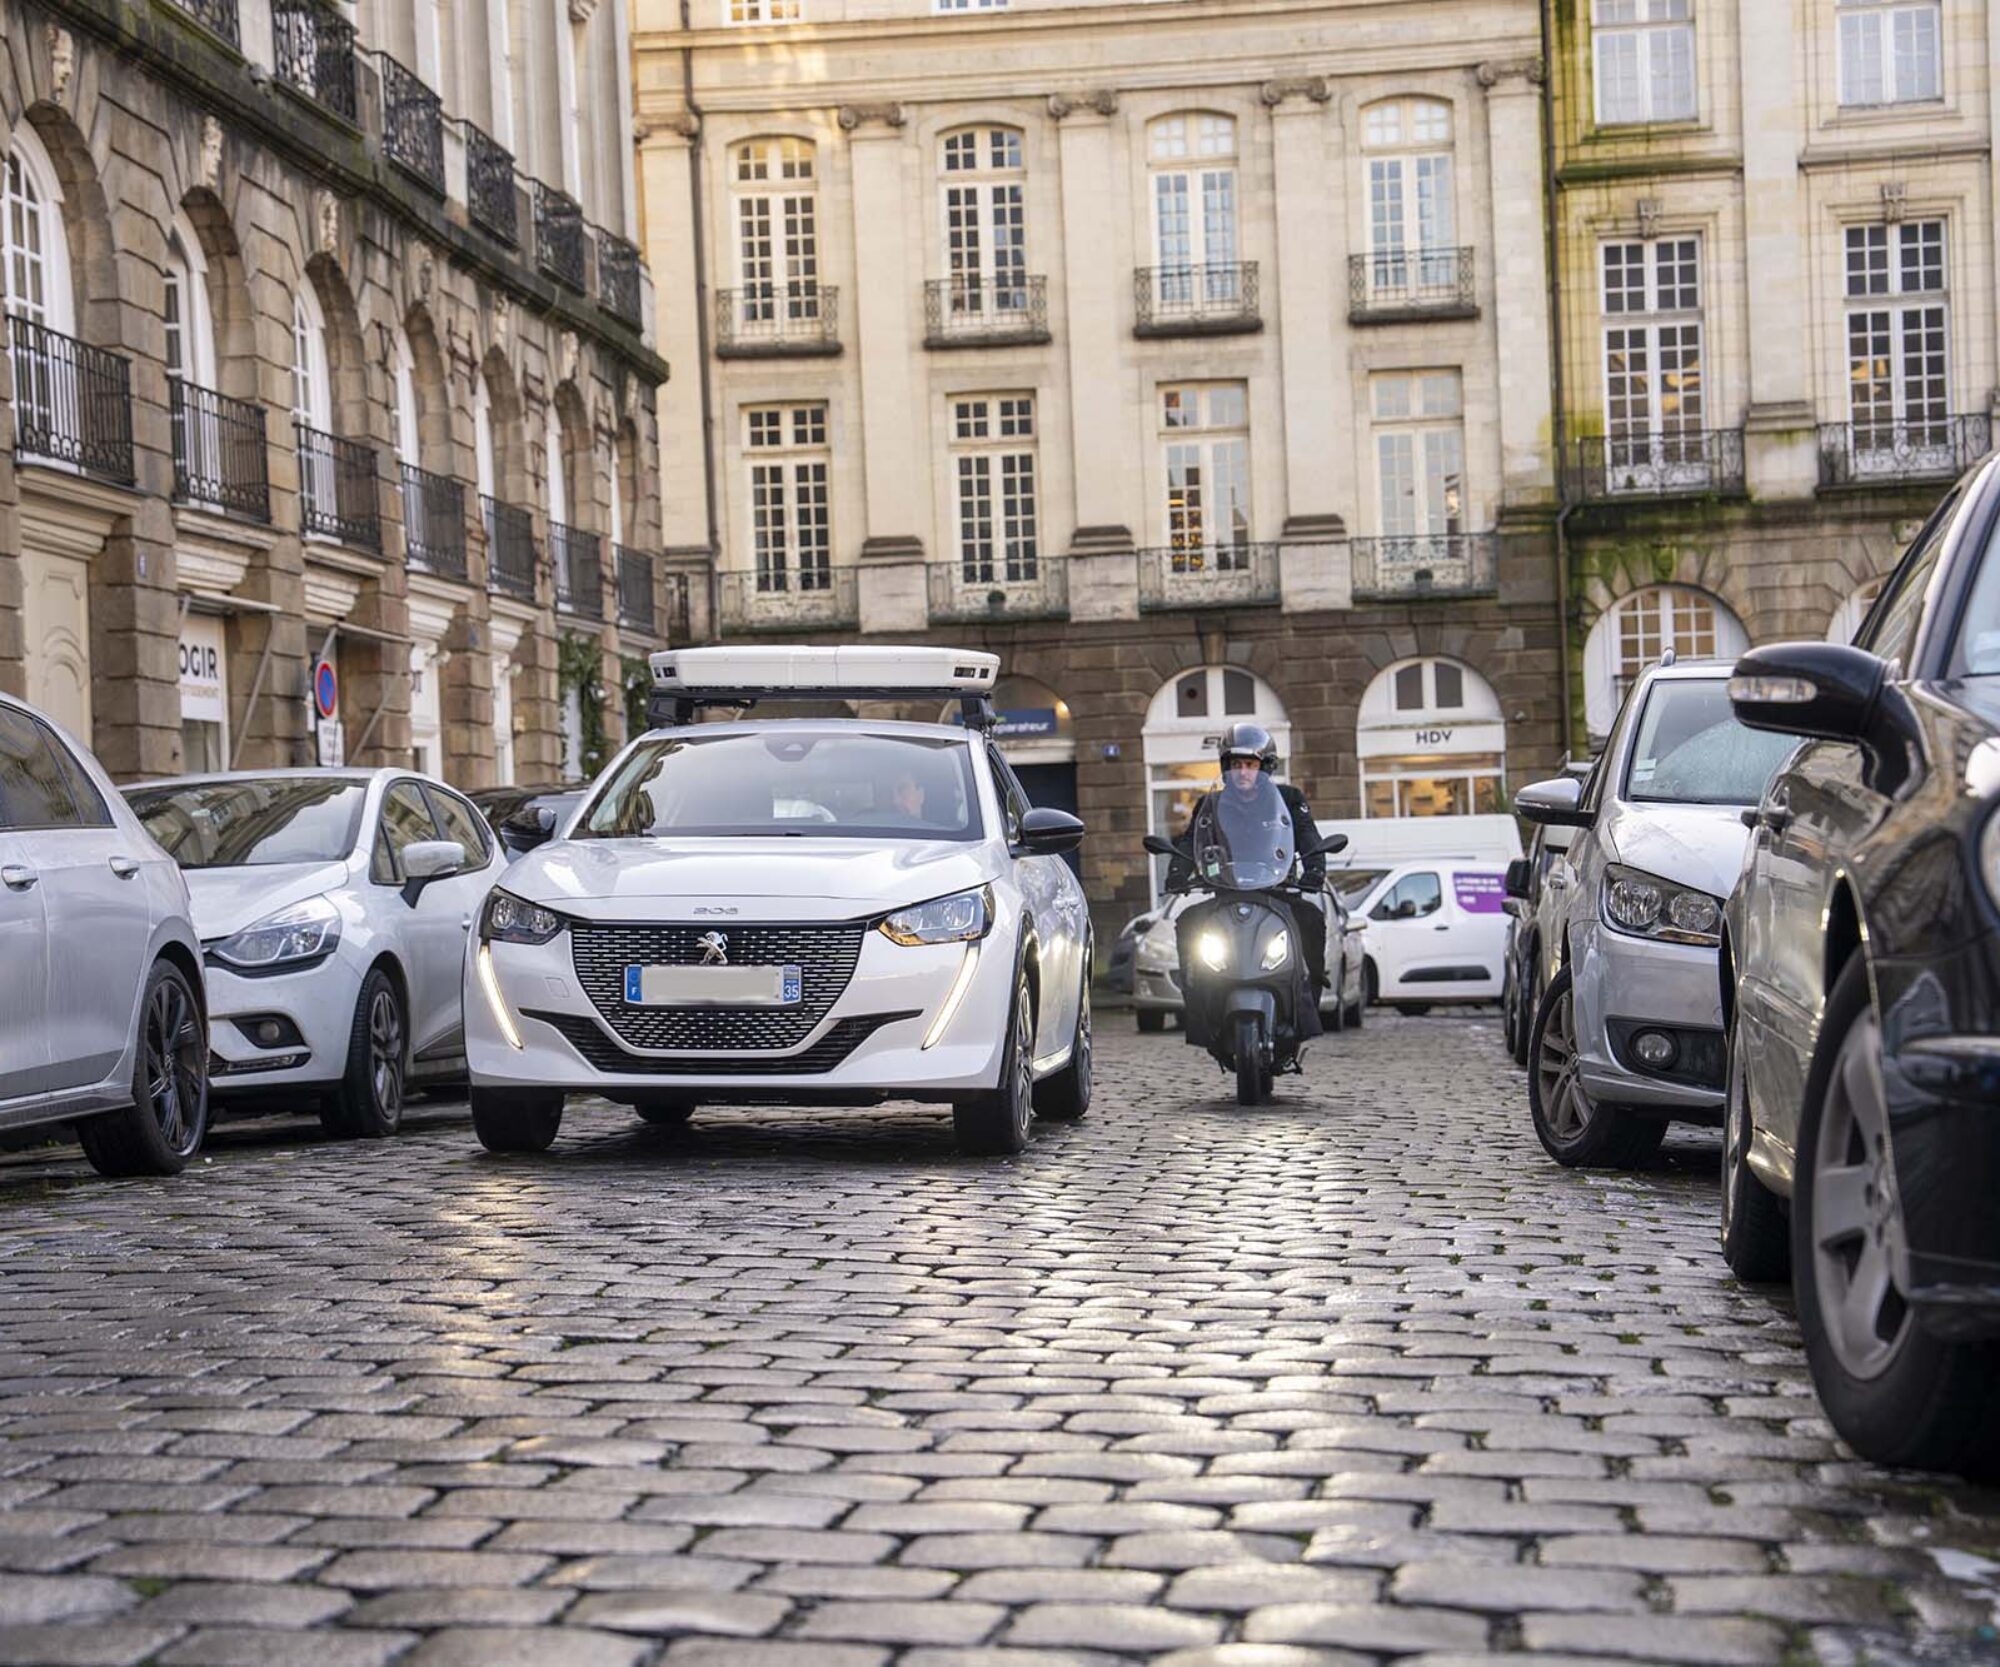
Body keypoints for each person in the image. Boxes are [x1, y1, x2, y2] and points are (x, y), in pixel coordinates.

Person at [1165, 722, 1329, 993]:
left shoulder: (1288, 799)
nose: (1242, 772)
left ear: (1265, 767)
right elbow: (1190, 841)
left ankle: (1312, 989)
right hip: (1226, 894)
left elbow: (1308, 835)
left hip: (1278, 894)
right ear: (1225, 768)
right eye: (1236, 764)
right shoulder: (1211, 804)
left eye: (1250, 765)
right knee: (1188, 920)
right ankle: (1193, 991)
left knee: (1311, 917)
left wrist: (1315, 870)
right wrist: (1177, 873)